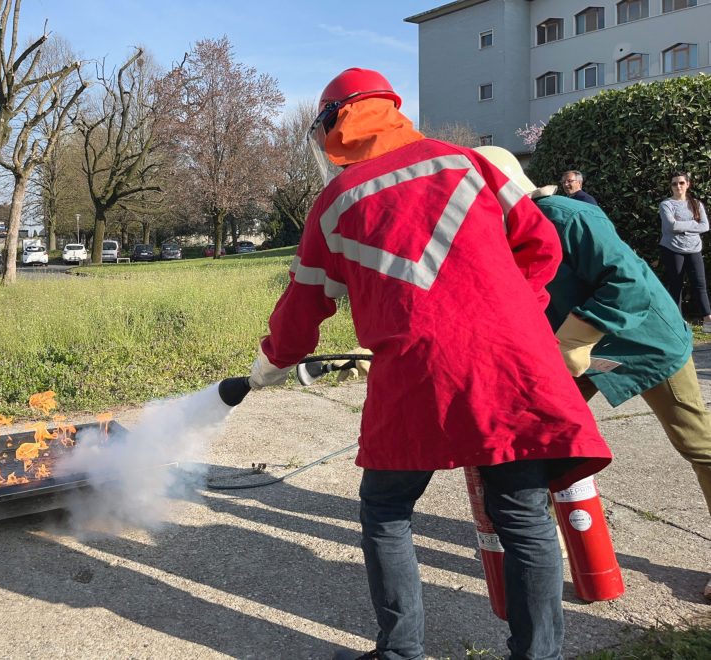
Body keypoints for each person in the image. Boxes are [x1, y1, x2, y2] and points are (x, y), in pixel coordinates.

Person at [246, 67, 612, 660]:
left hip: (415, 372)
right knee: (521, 515)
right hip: (511, 364)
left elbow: (302, 307)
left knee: (387, 510)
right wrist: (515, 311)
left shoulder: (336, 204)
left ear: (336, 123)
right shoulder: (473, 163)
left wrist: (271, 365)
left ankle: (400, 652)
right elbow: (541, 246)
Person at [477, 146, 711, 602]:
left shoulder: (568, 216)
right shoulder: (501, 235)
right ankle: (543, 539)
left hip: (644, 341)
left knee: (697, 442)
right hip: (570, 347)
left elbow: (627, 284)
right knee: (536, 432)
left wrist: (572, 340)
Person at [659, 172, 711, 333]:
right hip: (672, 249)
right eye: (674, 184)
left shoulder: (696, 204)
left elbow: (705, 226)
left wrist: (683, 227)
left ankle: (708, 320)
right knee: (675, 285)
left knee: (700, 284)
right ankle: (677, 322)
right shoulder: (666, 204)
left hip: (694, 249)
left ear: (688, 184)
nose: (678, 186)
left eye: (681, 183)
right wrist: (692, 225)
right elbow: (671, 226)